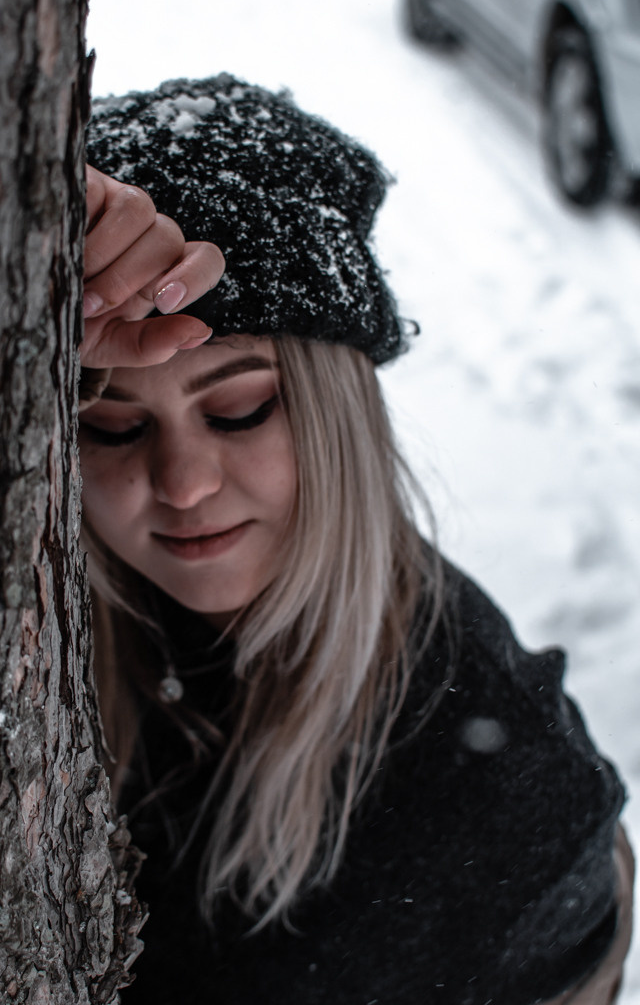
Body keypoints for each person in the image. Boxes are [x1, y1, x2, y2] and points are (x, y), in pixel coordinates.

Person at [79, 75, 634, 1005]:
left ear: (337, 415)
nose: (183, 483)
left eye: (241, 409)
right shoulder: (18, 628)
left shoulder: (504, 798)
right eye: (112, 426)